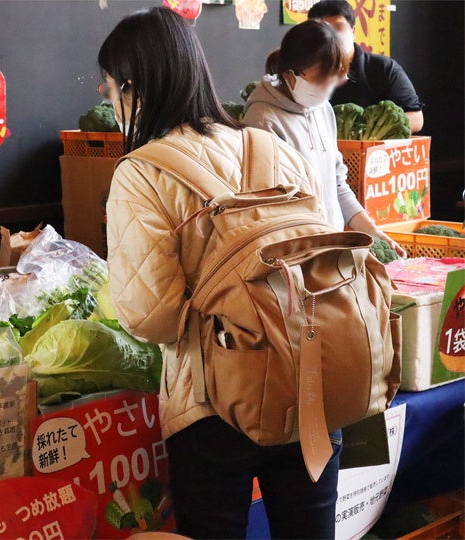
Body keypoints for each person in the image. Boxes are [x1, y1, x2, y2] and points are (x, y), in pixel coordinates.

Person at [100, 7, 341, 538]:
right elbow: (322, 258)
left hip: (213, 406)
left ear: (133, 89)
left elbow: (152, 317)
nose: (107, 97)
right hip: (309, 387)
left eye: (110, 86)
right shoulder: (272, 147)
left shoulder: (142, 173)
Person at [244, 20, 406, 255]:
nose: (329, 88)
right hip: (296, 254)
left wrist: (373, 232)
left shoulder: (323, 109)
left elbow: (338, 185)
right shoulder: (263, 121)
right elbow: (270, 208)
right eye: (321, 80)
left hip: (331, 250)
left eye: (336, 78)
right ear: (290, 75)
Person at [308, 0, 424, 132]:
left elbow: (416, 118)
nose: (332, 37)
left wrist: (366, 132)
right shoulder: (301, 71)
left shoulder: (383, 68)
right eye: (323, 30)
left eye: (338, 28)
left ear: (353, 31)